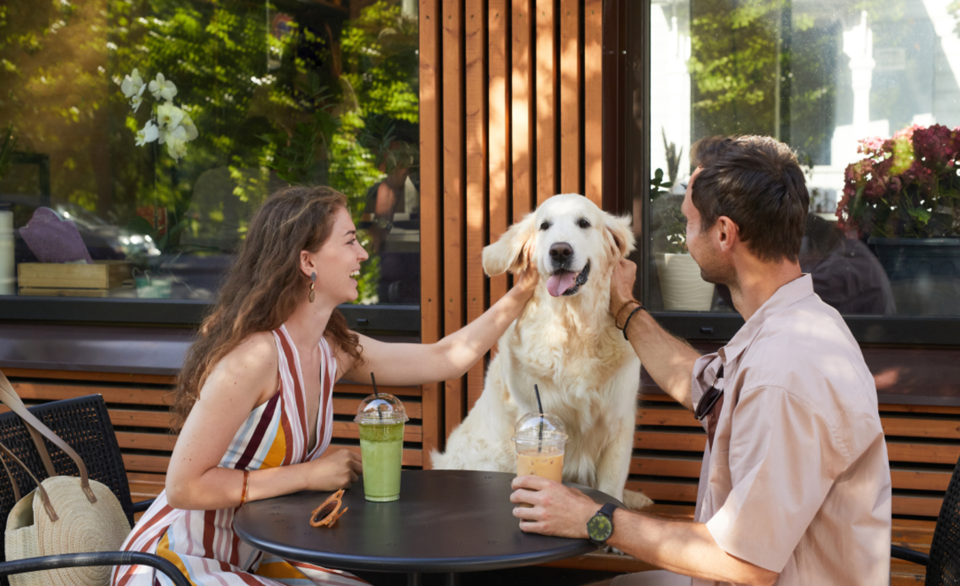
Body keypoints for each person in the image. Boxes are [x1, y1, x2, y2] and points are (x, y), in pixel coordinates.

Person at [510, 136, 892, 586]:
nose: (684, 238)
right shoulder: (797, 322)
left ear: (725, 234)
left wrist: (595, 518)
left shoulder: (786, 374)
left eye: (688, 223)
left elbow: (745, 563)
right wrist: (624, 308)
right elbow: (699, 383)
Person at [113, 185, 536, 586]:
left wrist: (523, 292)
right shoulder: (255, 358)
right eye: (350, 241)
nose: (364, 253)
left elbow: (445, 358)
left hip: (253, 557)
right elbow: (184, 487)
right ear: (307, 261)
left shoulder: (331, 348)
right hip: (175, 564)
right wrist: (307, 474)